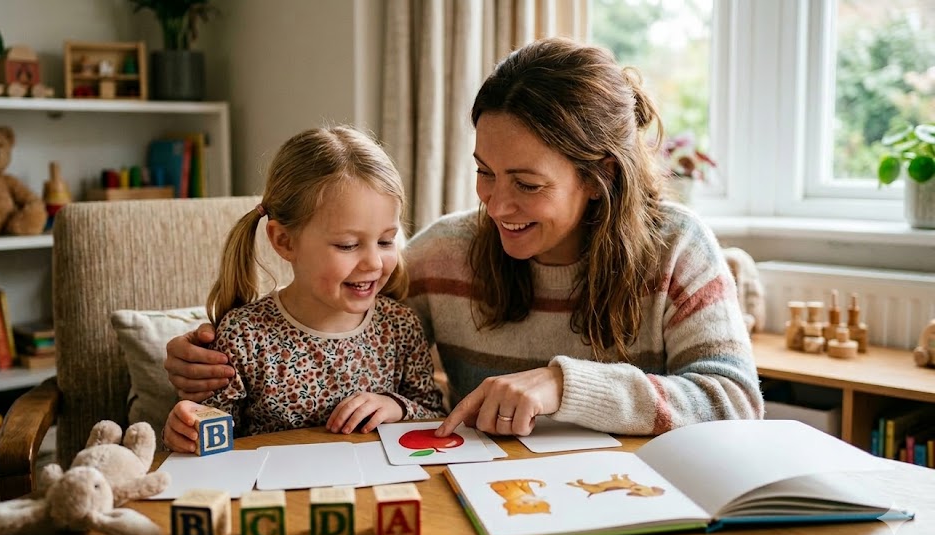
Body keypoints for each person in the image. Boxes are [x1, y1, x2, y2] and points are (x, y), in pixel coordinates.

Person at [164, 37, 763, 440]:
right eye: (484, 171)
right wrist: (199, 353)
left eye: (526, 184)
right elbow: (329, 318)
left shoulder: (677, 247)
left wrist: (564, 384)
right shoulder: (444, 252)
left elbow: (736, 404)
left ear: (599, 176)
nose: (496, 205)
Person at [162, 126, 445, 453]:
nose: (374, 263)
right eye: (348, 245)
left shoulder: (400, 327)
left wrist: (396, 408)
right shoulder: (245, 335)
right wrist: (187, 431)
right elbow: (212, 437)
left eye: (385, 241)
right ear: (284, 241)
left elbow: (436, 415)